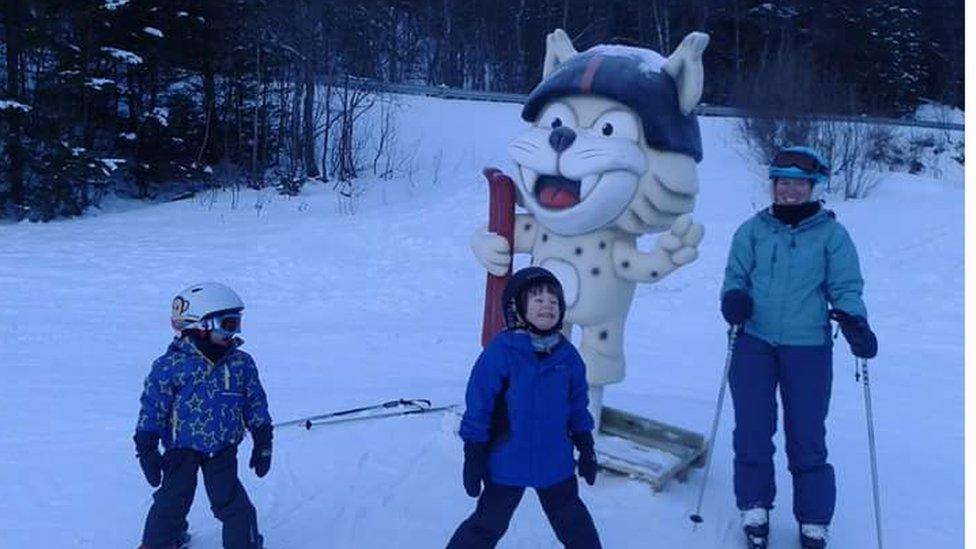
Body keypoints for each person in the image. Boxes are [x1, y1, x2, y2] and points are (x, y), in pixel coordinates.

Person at [720, 146, 878, 549]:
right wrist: (733, 298)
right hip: (753, 342)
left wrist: (854, 320)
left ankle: (813, 519)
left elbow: (845, 286)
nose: (789, 190)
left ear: (813, 187)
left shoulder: (832, 235)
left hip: (807, 346)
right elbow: (735, 274)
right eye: (783, 182)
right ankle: (754, 505)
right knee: (753, 428)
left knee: (807, 434)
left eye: (798, 184)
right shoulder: (752, 230)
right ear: (773, 185)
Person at [447, 267, 602, 549]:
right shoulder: (501, 353)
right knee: (486, 525)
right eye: (538, 300)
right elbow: (479, 408)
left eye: (554, 301)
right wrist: (474, 454)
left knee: (577, 528)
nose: (548, 306)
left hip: (555, 465)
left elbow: (578, 406)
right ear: (517, 307)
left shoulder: (568, 357)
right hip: (506, 463)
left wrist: (586, 446)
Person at [134, 282, 273, 549]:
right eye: (229, 324)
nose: (235, 333)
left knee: (233, 505)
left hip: (222, 450)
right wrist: (147, 447)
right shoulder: (170, 366)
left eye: (237, 324)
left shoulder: (241, 363)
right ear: (201, 325)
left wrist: (263, 439)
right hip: (180, 449)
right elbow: (152, 408)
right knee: (171, 503)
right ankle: (160, 543)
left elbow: (255, 402)